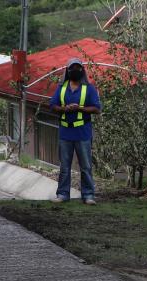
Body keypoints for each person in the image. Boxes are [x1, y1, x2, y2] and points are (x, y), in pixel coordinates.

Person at [48, 58, 100, 205]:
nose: (74, 71)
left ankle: (88, 195)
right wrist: (64, 108)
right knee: (64, 166)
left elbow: (97, 109)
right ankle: (63, 194)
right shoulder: (62, 88)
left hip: (83, 133)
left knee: (86, 166)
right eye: (71, 68)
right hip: (65, 133)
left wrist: (80, 108)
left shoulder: (88, 88)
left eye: (78, 68)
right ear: (67, 71)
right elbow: (52, 105)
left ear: (82, 71)